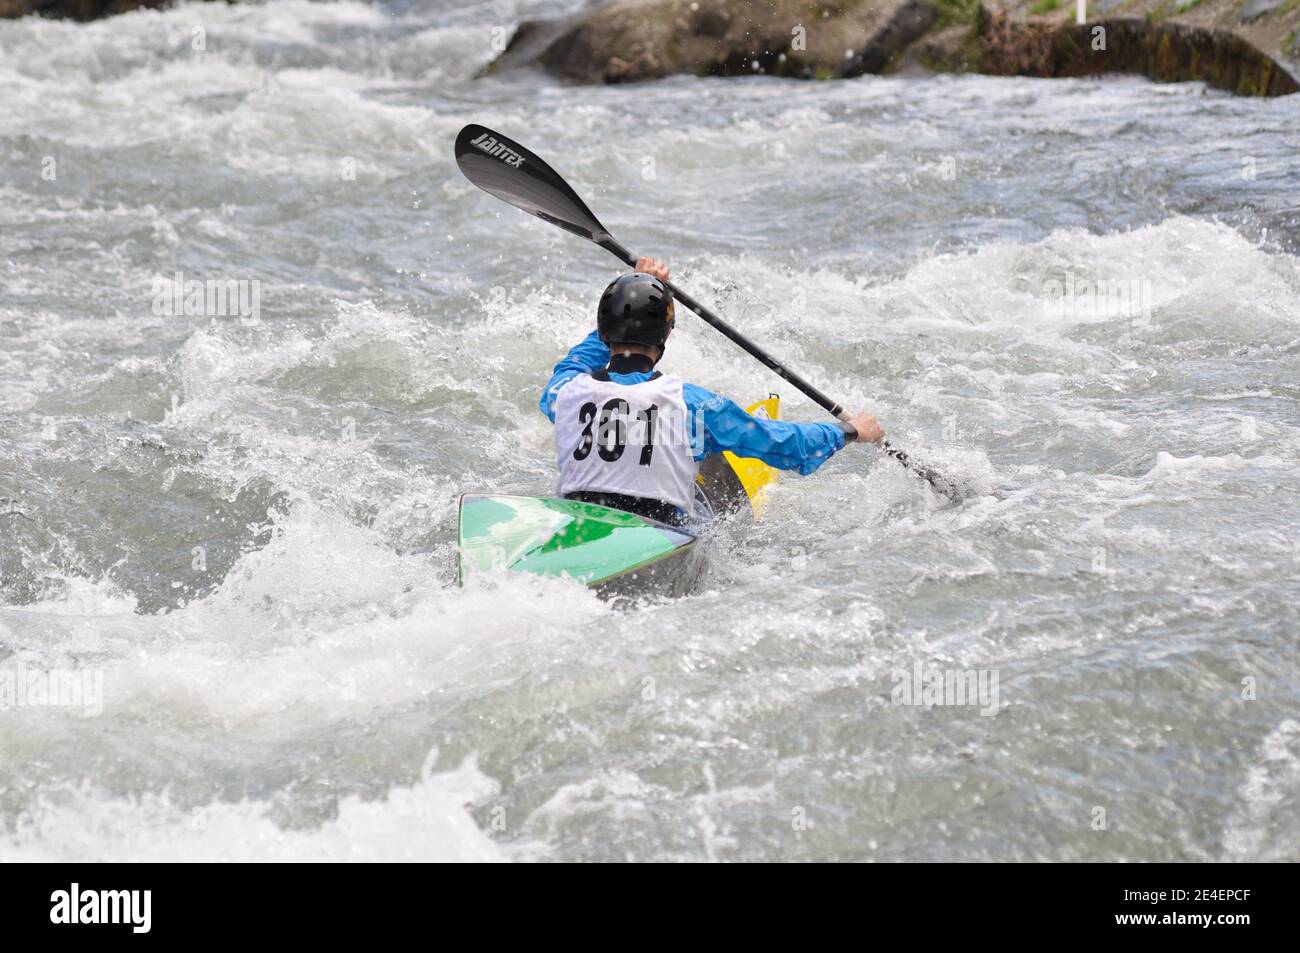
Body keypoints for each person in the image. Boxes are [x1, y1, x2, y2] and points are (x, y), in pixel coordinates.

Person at [539, 257, 884, 524]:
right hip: (659, 536)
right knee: (702, 470)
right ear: (667, 335)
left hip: (581, 524)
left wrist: (641, 293)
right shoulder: (694, 405)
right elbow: (784, 444)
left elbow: (578, 360)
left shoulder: (563, 392)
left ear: (603, 331)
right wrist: (849, 431)